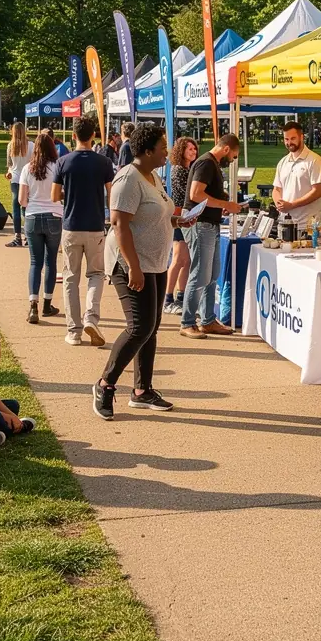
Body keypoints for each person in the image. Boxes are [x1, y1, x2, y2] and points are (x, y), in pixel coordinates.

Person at [94, 123, 182, 420]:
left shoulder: (153, 176)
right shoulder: (128, 179)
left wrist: (179, 221)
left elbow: (156, 215)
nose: (167, 152)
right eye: (162, 147)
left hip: (155, 262)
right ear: (146, 151)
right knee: (139, 327)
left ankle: (142, 391)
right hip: (130, 263)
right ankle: (105, 384)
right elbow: (119, 224)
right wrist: (133, 267)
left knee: (151, 327)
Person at [52, 117, 114, 347]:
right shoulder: (104, 162)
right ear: (94, 136)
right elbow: (111, 193)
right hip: (95, 225)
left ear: (73, 136)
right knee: (96, 275)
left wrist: (69, 194)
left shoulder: (63, 162)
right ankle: (91, 317)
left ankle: (74, 331)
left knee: (70, 278)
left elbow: (54, 195)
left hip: (71, 225)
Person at [179, 134, 243, 340]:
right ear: (226, 149)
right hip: (199, 224)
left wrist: (220, 206)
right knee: (200, 274)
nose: (232, 160)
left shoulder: (210, 163)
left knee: (212, 275)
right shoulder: (206, 163)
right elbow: (195, 194)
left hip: (210, 223)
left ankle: (207, 320)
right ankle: (187, 322)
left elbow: (205, 196)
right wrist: (226, 205)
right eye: (233, 156)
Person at [19, 133, 63, 325]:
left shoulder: (27, 169)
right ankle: (47, 303)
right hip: (54, 215)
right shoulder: (57, 167)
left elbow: (21, 199)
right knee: (50, 261)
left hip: (33, 216)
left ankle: (33, 305)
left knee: (35, 262)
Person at [165, 136, 199, 313]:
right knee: (178, 259)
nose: (193, 152)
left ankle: (181, 295)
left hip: (188, 217)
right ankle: (168, 298)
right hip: (179, 217)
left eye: (194, 149)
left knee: (186, 261)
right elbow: (189, 195)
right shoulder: (179, 170)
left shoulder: (189, 169)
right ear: (181, 151)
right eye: (189, 149)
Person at [272, 122, 321, 231]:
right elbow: (276, 189)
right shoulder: (283, 162)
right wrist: (279, 204)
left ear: (301, 137)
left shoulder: (315, 160)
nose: (289, 142)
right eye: (286, 139)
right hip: (285, 224)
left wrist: (291, 205)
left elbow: (318, 191)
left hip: (308, 227)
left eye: (293, 138)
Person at [5, 121, 32, 248]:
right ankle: (28, 234)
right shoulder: (31, 145)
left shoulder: (11, 145)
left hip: (15, 178)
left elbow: (9, 164)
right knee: (26, 208)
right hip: (28, 178)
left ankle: (17, 236)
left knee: (16, 207)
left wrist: (9, 172)